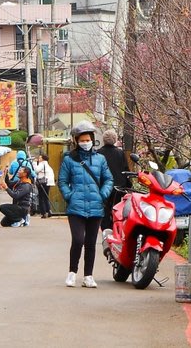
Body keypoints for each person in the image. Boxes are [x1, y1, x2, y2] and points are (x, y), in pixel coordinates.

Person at [58, 121, 113, 289]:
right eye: (81, 140)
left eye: (87, 139)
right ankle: (72, 272)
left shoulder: (100, 159)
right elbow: (62, 181)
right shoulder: (69, 160)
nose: (85, 142)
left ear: (92, 139)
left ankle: (88, 276)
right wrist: (70, 196)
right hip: (76, 207)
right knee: (78, 239)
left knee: (90, 243)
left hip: (95, 207)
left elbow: (108, 179)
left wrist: (102, 194)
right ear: (76, 141)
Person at [97, 129, 130, 231]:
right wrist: (129, 185)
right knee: (116, 207)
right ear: (115, 139)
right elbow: (125, 169)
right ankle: (115, 227)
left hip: (103, 186)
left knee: (104, 208)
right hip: (118, 186)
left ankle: (105, 228)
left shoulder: (98, 153)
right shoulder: (120, 153)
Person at [34, 153, 56, 218]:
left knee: (41, 198)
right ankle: (49, 211)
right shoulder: (48, 165)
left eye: (40, 158)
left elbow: (36, 170)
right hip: (48, 182)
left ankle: (43, 213)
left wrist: (34, 163)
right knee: (46, 197)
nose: (39, 159)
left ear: (43, 159)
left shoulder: (42, 164)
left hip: (42, 182)